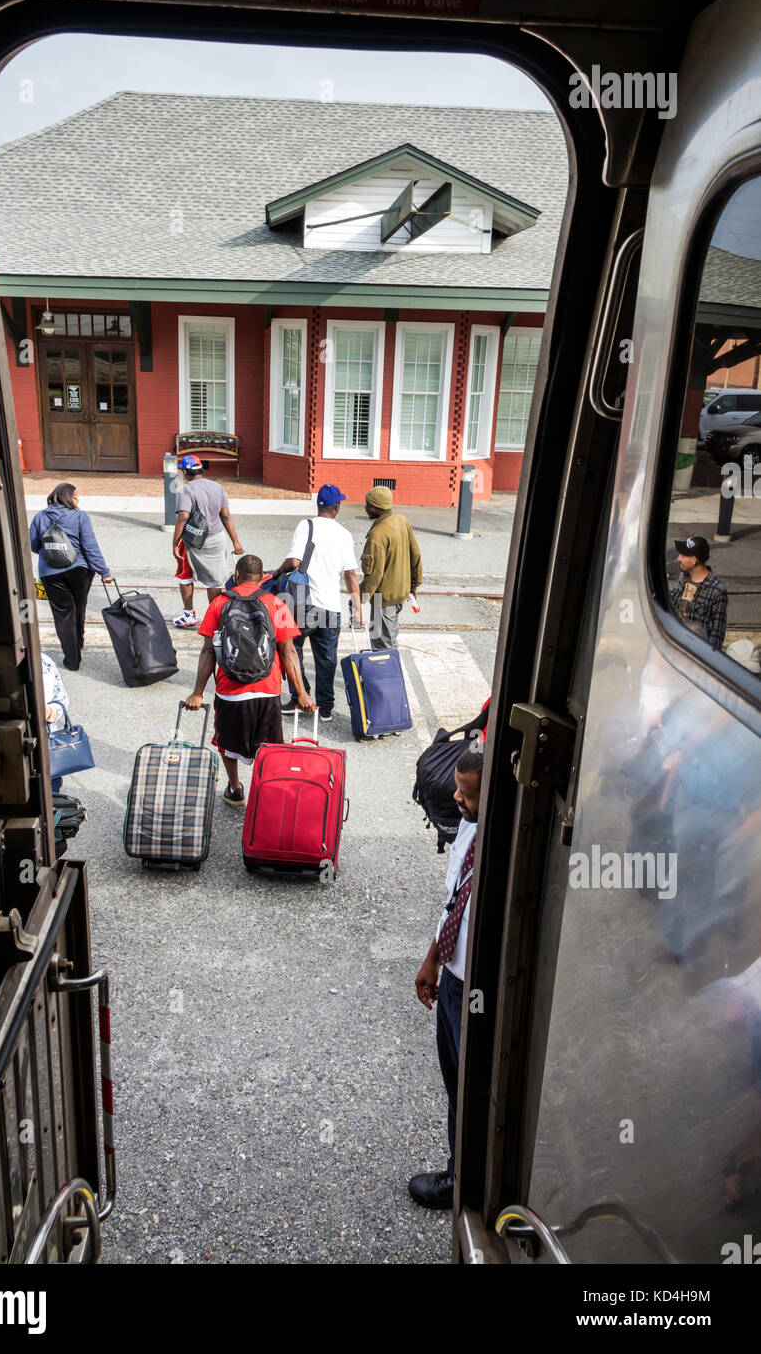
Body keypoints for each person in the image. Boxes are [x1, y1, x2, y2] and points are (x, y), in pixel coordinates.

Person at [409, 747, 483, 1210]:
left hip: (477, 991)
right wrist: (432, 959)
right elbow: (453, 900)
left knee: (473, 1090)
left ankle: (468, 1185)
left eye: (467, 793)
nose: (457, 798)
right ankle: (461, 1171)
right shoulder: (469, 833)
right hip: (453, 981)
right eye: (457, 787)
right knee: (456, 1083)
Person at [184, 553, 315, 806]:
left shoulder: (219, 604)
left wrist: (198, 692)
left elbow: (208, 651)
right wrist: (301, 693)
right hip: (267, 691)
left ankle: (234, 789)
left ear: (236, 575)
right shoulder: (275, 603)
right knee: (270, 748)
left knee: (227, 742)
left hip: (230, 691)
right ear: (261, 577)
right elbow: (288, 651)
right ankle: (265, 792)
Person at [273, 484, 362, 722]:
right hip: (331, 608)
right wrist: (358, 609)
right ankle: (325, 707)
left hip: (303, 605)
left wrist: (276, 573)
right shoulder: (344, 534)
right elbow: (350, 575)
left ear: (318, 505)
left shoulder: (306, 525)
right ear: (337, 507)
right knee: (326, 659)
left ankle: (299, 699)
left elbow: (293, 561)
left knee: (293, 650)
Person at [30, 483, 113, 670]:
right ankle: (79, 641)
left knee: (62, 615)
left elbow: (34, 545)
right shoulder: (79, 517)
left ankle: (72, 659)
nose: (77, 501)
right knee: (79, 607)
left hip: (50, 573)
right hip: (79, 570)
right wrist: (104, 572)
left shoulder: (40, 517)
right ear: (69, 498)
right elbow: (90, 547)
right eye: (76, 497)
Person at [172, 455, 243, 627]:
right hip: (217, 538)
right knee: (215, 580)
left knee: (185, 574)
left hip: (194, 540)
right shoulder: (217, 487)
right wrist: (236, 541)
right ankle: (216, 619)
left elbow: (183, 517)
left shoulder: (187, 490)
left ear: (186, 472)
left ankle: (188, 615)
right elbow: (225, 515)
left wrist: (175, 543)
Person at [360, 485, 422, 650]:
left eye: (369, 505)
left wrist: (359, 598)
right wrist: (413, 586)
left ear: (379, 508)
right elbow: (415, 554)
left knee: (382, 645)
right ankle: (392, 673)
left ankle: (390, 675)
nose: (365, 508)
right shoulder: (401, 520)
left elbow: (374, 575)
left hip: (383, 598)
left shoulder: (377, 534)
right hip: (400, 592)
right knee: (391, 640)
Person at [670, 536, 728, 650]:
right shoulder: (682, 578)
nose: (678, 558)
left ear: (693, 560)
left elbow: (717, 633)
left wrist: (709, 658)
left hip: (697, 651)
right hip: (677, 646)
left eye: (682, 554)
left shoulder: (717, 591)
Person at [42, 651, 69, 794]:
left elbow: (62, 698)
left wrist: (51, 710)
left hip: (48, 744)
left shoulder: (44, 661)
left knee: (52, 792)